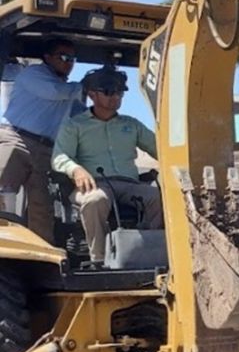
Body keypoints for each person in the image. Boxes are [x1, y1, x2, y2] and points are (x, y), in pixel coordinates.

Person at [50, 68, 162, 264]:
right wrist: (76, 169)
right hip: (94, 185)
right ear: (92, 94)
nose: (115, 97)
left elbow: (161, 150)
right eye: (109, 92)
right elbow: (59, 157)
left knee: (158, 197)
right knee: (95, 200)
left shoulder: (132, 125)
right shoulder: (74, 126)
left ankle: (150, 254)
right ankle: (100, 261)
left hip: (129, 184)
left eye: (120, 92)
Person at [0, 37, 82, 239]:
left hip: (45, 149)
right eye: (63, 57)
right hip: (16, 138)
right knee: (4, 191)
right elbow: (53, 92)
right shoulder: (34, 74)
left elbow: (80, 115)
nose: (69, 62)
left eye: (72, 59)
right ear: (47, 57)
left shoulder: (69, 90)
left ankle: (42, 251)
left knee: (42, 208)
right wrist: (85, 86)